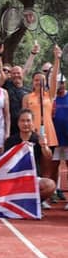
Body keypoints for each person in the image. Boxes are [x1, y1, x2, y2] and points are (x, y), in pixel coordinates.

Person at [22, 45, 61, 177]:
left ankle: (47, 194)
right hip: (33, 134)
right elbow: (24, 117)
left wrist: (57, 59)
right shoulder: (27, 97)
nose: (39, 82)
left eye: (41, 80)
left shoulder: (49, 95)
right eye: (36, 80)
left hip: (49, 134)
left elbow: (54, 75)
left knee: (47, 167)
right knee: (33, 166)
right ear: (32, 82)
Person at [4, 109, 55, 203]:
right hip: (14, 179)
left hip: (33, 179)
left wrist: (44, 146)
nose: (25, 124)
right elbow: (5, 162)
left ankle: (32, 204)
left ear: (33, 122)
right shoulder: (11, 141)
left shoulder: (38, 139)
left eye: (28, 120)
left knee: (50, 185)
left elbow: (48, 157)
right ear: (18, 123)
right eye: (22, 121)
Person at [51, 75, 68, 207]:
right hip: (55, 138)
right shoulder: (51, 98)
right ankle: (53, 193)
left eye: (61, 82)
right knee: (53, 167)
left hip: (67, 139)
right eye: (57, 83)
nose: (59, 85)